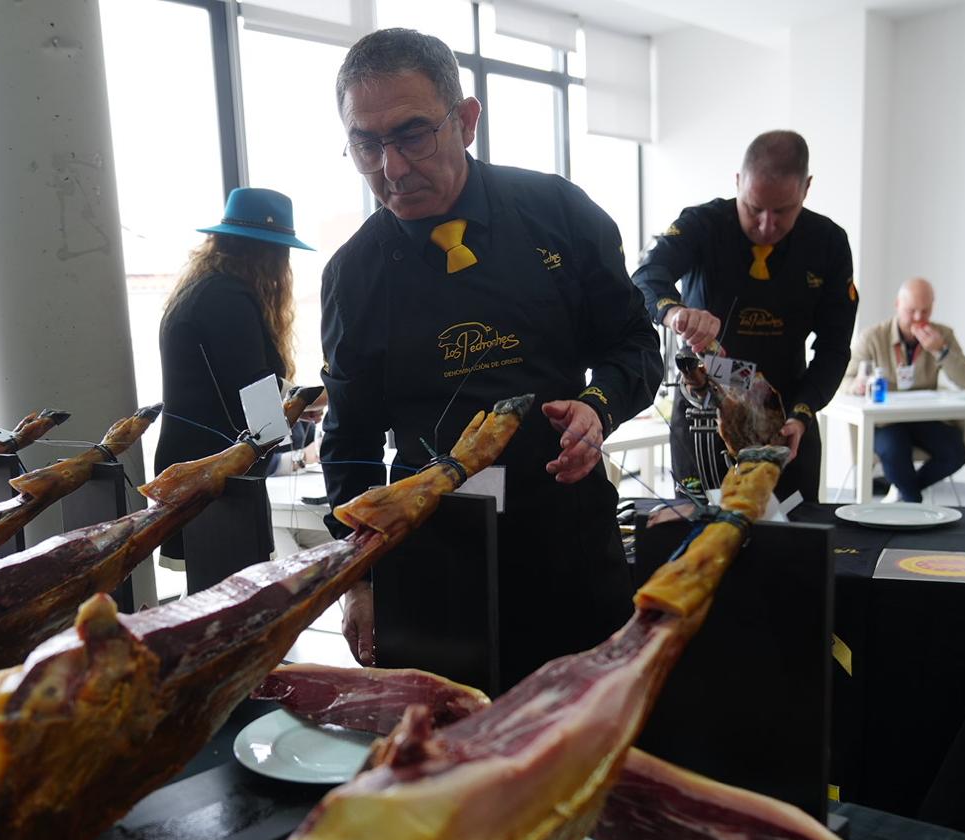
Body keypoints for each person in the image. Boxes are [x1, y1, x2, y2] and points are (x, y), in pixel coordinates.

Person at [320, 28, 663, 689]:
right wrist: (358, 577)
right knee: (442, 761)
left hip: (565, 540)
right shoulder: (354, 274)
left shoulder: (558, 214)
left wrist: (599, 407)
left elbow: (635, 345)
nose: (391, 166)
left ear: (467, 120)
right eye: (366, 143)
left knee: (581, 751)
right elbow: (351, 441)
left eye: (412, 134)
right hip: (429, 556)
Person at [633, 131, 858, 503]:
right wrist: (675, 312)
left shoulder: (828, 243)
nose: (767, 225)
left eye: (782, 211)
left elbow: (835, 347)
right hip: (704, 411)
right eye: (754, 208)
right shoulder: (702, 224)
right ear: (738, 182)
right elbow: (645, 275)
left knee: (791, 545)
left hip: (786, 413)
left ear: (806, 188)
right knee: (699, 541)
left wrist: (802, 414)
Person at [154, 187, 317, 563]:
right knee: (232, 595)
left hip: (194, 466)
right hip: (217, 473)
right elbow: (258, 403)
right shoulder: (229, 299)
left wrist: (292, 405)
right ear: (271, 254)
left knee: (209, 590)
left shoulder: (202, 290)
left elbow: (234, 379)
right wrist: (315, 400)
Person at [845, 277, 965, 502]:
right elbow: (843, 381)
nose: (918, 318)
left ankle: (903, 488)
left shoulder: (942, 335)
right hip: (885, 422)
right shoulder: (873, 337)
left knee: (956, 451)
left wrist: (941, 351)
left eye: (925, 311)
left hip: (923, 417)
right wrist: (858, 385)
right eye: (911, 310)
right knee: (895, 450)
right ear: (898, 305)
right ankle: (912, 500)